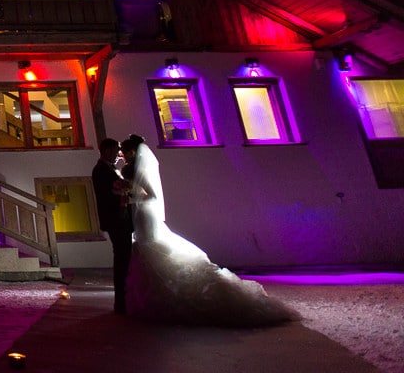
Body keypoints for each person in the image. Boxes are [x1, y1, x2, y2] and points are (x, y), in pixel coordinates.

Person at [124, 135, 300, 327]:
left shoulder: (140, 168)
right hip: (140, 213)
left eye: (126, 152)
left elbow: (153, 196)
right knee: (145, 249)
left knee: (151, 247)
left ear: (133, 151)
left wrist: (131, 198)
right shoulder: (134, 167)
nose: (123, 156)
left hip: (146, 212)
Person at [91, 137, 133, 314]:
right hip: (116, 219)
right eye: (116, 150)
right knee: (122, 257)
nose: (119, 154)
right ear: (107, 151)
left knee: (124, 256)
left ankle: (123, 298)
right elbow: (109, 195)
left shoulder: (107, 168)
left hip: (118, 218)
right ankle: (121, 300)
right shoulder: (101, 170)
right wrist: (124, 191)